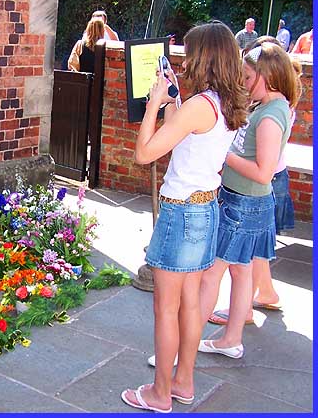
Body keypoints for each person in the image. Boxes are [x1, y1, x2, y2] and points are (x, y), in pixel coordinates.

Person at [120, 21, 247, 413]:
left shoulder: (198, 106)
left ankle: (160, 393)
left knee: (165, 307)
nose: (185, 59)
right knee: (191, 303)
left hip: (181, 212)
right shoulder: (225, 102)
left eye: (190, 52)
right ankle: (184, 382)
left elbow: (145, 153)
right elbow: (192, 136)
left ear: (204, 57)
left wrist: (156, 102)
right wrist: (175, 100)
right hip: (207, 207)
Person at [197, 41, 300, 360]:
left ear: (265, 77)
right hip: (249, 204)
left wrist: (224, 156)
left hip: (243, 204)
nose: (242, 82)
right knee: (241, 272)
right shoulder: (273, 105)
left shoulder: (270, 116)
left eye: (246, 77)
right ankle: (231, 340)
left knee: (211, 274)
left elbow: (263, 172)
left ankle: (181, 347)